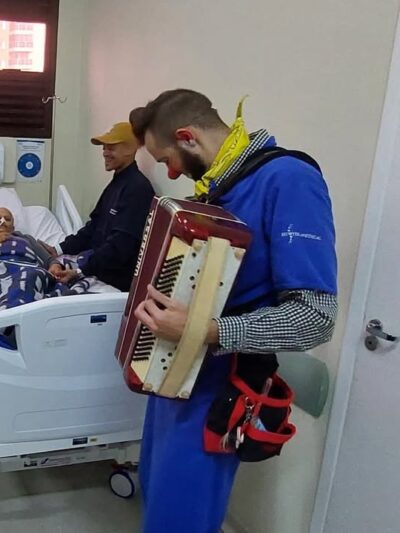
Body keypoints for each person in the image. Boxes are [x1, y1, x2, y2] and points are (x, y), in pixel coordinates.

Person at [128, 89, 338, 532]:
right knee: (158, 499)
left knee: (181, 519)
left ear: (188, 137)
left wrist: (206, 330)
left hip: (219, 389)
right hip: (175, 378)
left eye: (168, 159)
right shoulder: (219, 190)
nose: (169, 173)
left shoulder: (288, 179)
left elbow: (316, 317)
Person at [42, 122, 154, 291]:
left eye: (111, 148)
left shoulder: (137, 189)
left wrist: (81, 270)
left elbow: (120, 247)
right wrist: (58, 249)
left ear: (130, 149)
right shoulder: (116, 184)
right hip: (96, 266)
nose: (105, 153)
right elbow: (93, 227)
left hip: (113, 280)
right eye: (104, 148)